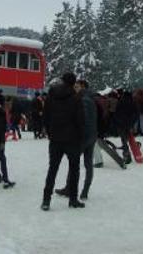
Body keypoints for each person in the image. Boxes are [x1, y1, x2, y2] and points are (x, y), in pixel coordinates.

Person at [41, 73, 85, 211]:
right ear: (73, 83)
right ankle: (73, 199)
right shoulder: (76, 98)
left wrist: (50, 132)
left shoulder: (51, 95)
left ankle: (46, 200)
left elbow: (46, 116)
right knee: (74, 170)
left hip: (55, 139)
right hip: (72, 140)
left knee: (52, 169)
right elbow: (80, 120)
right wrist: (80, 136)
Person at [56, 79, 98, 200]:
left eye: (77, 86)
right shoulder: (92, 99)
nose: (74, 89)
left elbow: (79, 119)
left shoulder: (82, 100)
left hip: (82, 137)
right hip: (92, 136)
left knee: (74, 163)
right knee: (88, 164)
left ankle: (69, 189)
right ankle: (85, 191)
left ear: (83, 87)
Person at [114, 90, 136, 164]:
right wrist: (132, 123)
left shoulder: (120, 102)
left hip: (121, 124)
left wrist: (118, 122)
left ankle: (126, 154)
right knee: (127, 138)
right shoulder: (132, 103)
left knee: (123, 139)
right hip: (129, 124)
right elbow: (135, 114)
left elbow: (116, 113)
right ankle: (127, 152)